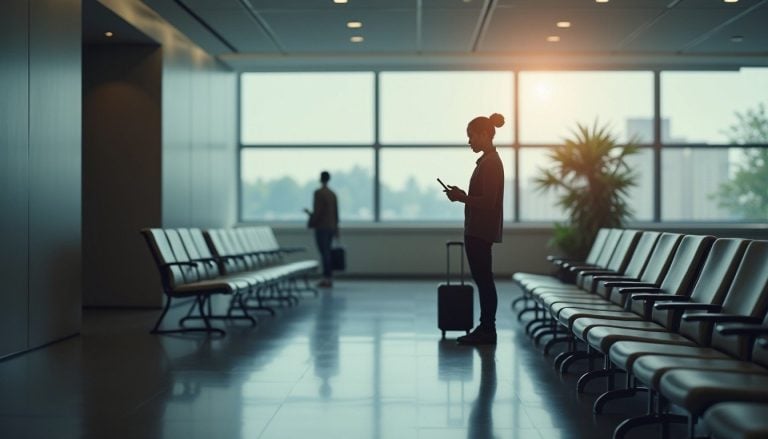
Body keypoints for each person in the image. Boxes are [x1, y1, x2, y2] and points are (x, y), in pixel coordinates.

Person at [444, 113, 505, 345]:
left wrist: (462, 198)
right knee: (483, 280)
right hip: (478, 230)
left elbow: (488, 202)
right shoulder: (488, 162)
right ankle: (486, 327)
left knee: (484, 281)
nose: (469, 141)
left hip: (480, 231)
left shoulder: (491, 163)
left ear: (484, 134)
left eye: (471, 136)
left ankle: (487, 328)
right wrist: (463, 196)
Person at [304, 171, 339, 288]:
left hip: (322, 227)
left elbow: (318, 212)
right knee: (327, 253)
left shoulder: (318, 193)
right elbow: (336, 213)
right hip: (331, 227)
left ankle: (326, 278)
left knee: (324, 253)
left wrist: (310, 217)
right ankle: (329, 278)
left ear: (320, 179)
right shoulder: (333, 194)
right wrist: (336, 229)